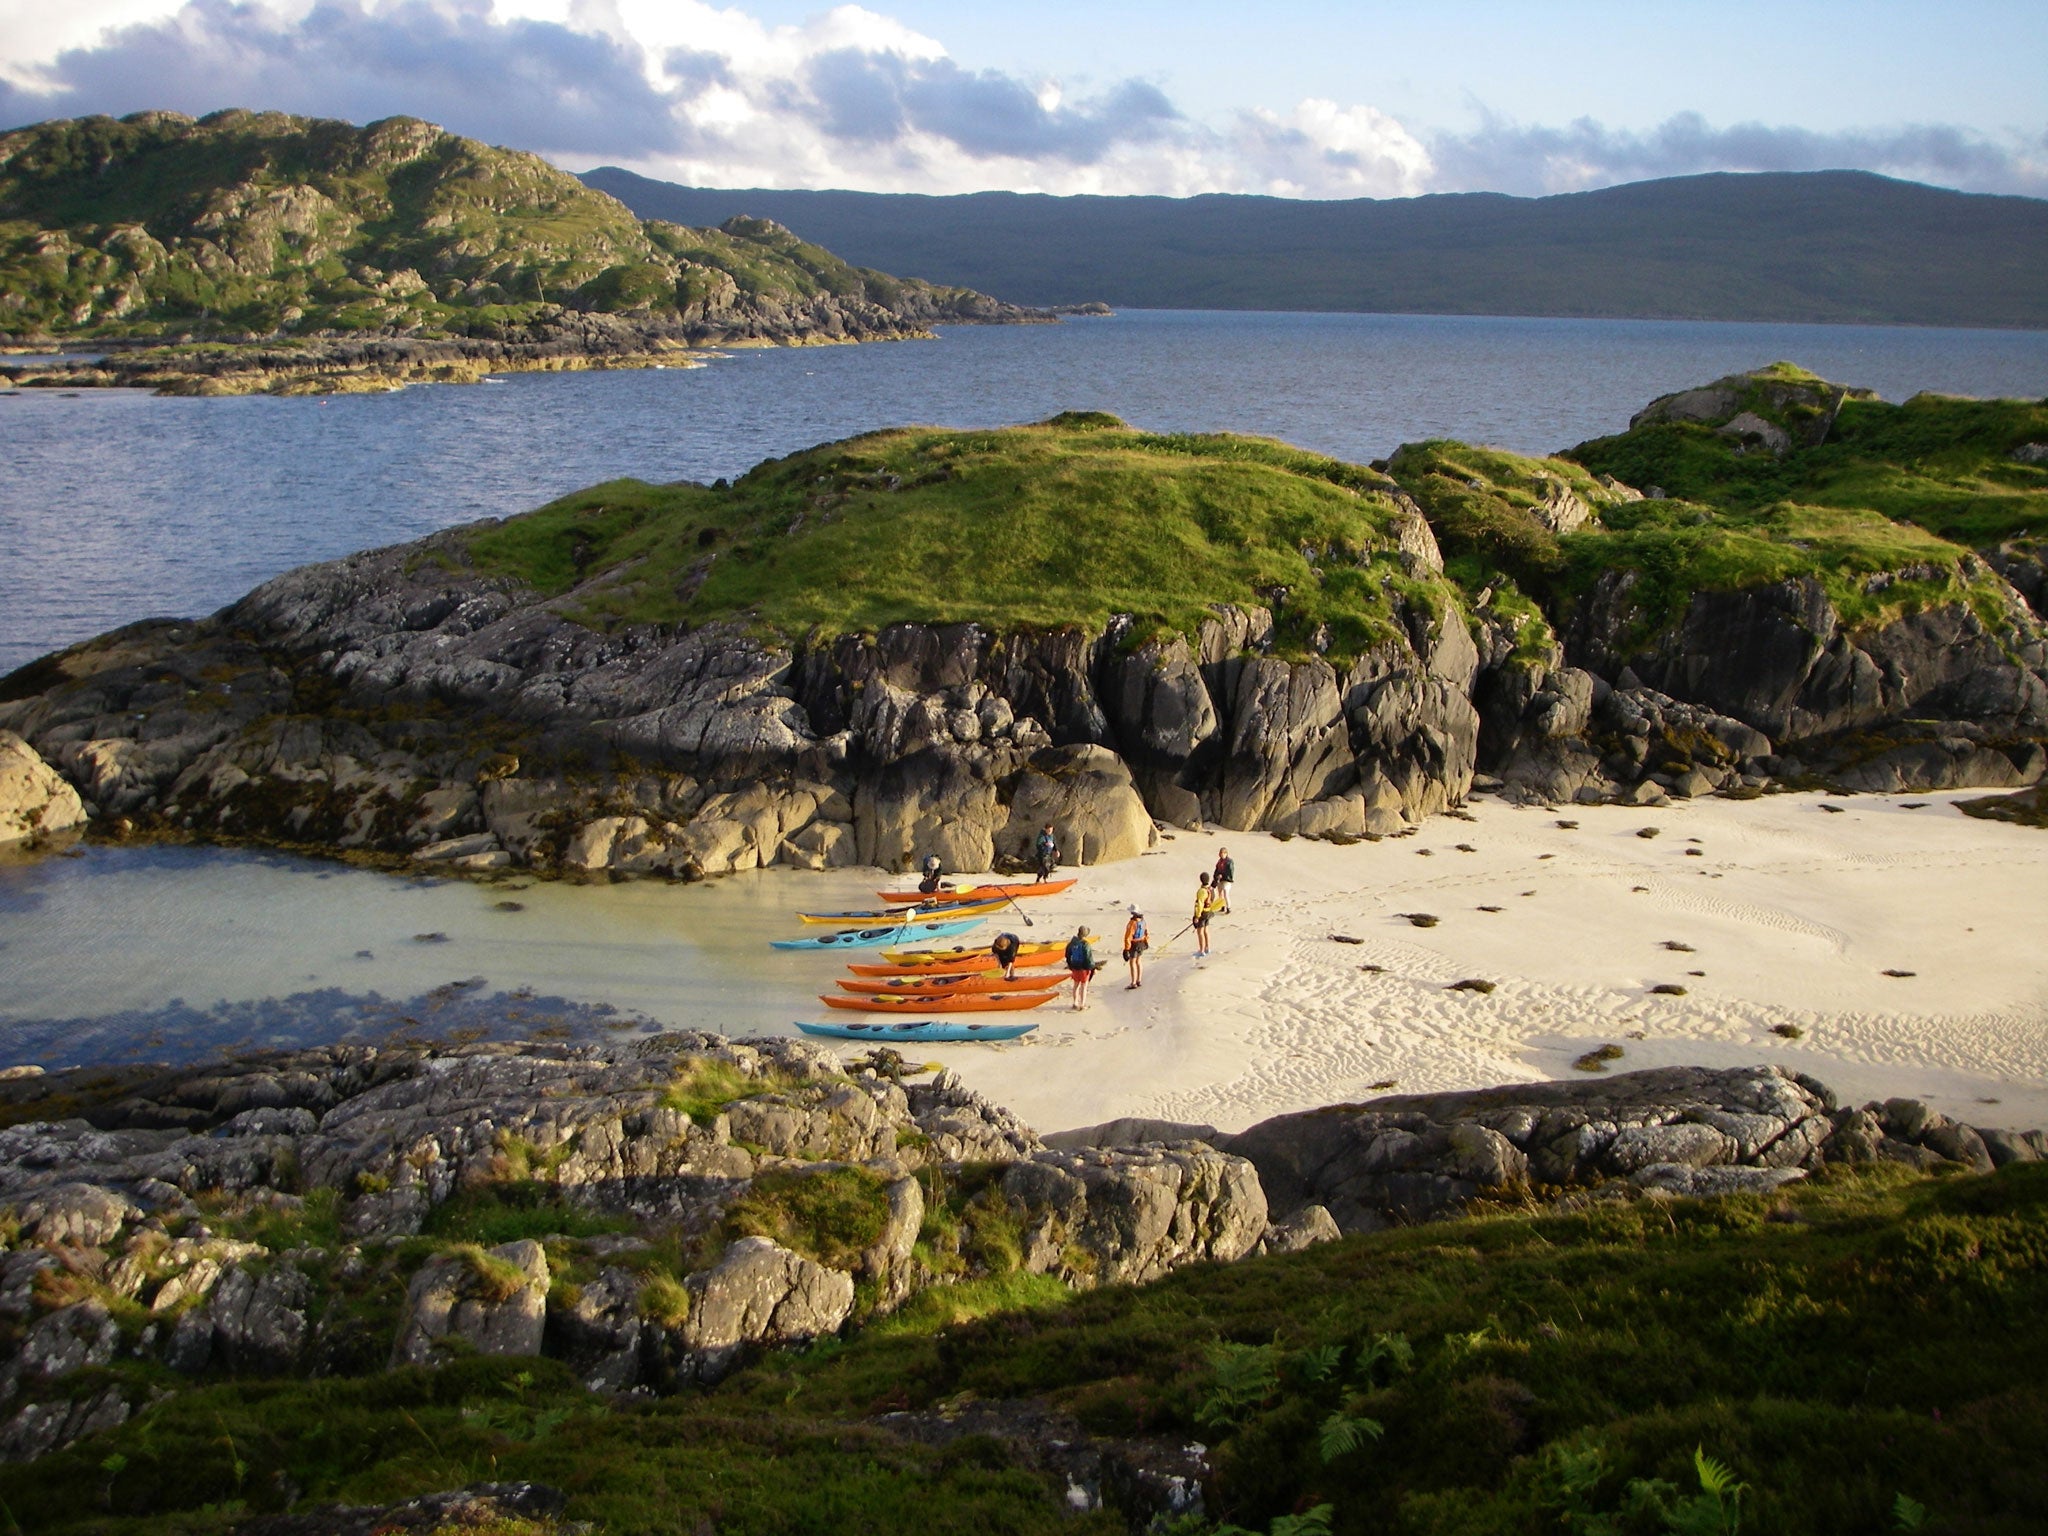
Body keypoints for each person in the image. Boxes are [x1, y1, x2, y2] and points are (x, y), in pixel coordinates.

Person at [1064, 925, 1095, 1010]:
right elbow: (1088, 957)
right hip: (1084, 968)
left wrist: (1070, 965)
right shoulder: (1086, 944)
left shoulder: (1072, 943)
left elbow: (1067, 954)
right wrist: (1091, 967)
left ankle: (1075, 1002)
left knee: (1076, 985)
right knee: (1084, 986)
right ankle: (1082, 1004)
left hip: (1075, 966)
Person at [1121, 907, 1148, 989]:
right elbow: (1146, 932)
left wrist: (1126, 949)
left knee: (1132, 962)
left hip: (1134, 944)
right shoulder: (1143, 921)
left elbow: (1128, 937)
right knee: (1139, 961)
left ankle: (1133, 982)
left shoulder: (1132, 923)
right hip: (1141, 943)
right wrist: (1146, 942)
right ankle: (1139, 980)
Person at [1192, 871, 1216, 957]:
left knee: (1200, 932)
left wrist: (1197, 916)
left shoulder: (1202, 891)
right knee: (1206, 930)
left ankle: (1201, 950)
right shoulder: (1210, 889)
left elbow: (1200, 904)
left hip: (1202, 913)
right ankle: (1207, 948)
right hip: (1208, 911)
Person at [1212, 847, 1235, 914]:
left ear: (1226, 853)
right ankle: (1222, 906)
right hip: (1220, 880)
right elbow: (1216, 870)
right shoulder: (1219, 861)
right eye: (1221, 853)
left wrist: (1223, 876)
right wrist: (1216, 877)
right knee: (1220, 893)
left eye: (1223, 853)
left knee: (1225, 893)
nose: (1222, 854)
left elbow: (1230, 872)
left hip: (1227, 880)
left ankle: (1228, 908)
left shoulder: (1229, 862)